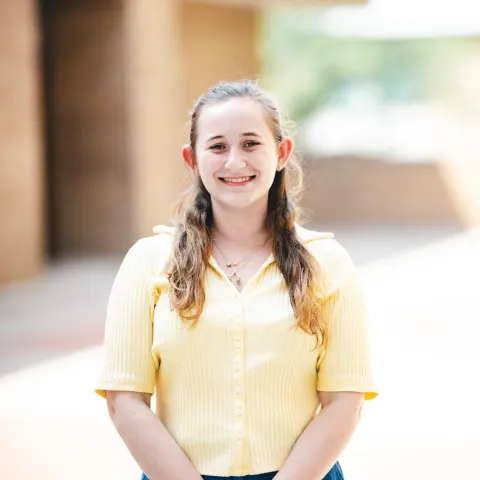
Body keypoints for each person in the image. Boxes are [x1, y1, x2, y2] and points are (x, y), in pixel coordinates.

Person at [94, 80, 378, 480]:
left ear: (281, 153)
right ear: (192, 160)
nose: (233, 162)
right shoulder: (148, 261)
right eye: (217, 147)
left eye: (250, 144)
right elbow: (124, 400)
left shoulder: (328, 263)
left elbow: (344, 401)